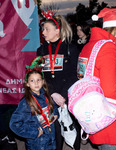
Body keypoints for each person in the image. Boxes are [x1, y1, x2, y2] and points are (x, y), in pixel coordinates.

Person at [78, 8, 116, 150]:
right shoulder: (108, 48)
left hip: (95, 114)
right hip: (109, 120)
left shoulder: (89, 46)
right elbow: (110, 89)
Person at [37, 12, 80, 150]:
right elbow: (40, 76)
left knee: (72, 127)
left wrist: (63, 96)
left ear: (58, 31)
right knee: (55, 132)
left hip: (69, 94)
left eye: (46, 29)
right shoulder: (41, 50)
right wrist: (54, 94)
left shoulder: (71, 48)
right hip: (50, 95)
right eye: (43, 29)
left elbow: (75, 75)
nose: (43, 32)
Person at [9, 56, 59, 150]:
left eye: (38, 80)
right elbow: (14, 124)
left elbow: (54, 107)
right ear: (27, 84)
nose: (36, 83)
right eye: (32, 81)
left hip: (51, 140)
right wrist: (34, 133)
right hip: (37, 144)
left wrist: (55, 114)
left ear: (43, 81)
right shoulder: (26, 102)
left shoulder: (47, 96)